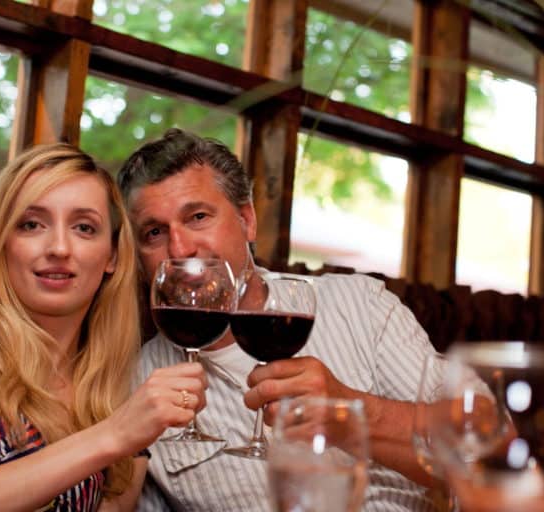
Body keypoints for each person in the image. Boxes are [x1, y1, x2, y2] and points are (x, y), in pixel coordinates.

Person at [118, 129, 442, 512]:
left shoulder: (361, 305)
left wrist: (350, 410)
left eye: (199, 217)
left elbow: (487, 446)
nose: (181, 249)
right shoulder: (135, 389)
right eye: (154, 232)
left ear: (247, 220)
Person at [0, 143, 208, 511]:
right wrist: (112, 436)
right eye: (31, 224)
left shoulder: (115, 389)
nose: (58, 247)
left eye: (84, 228)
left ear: (112, 256)